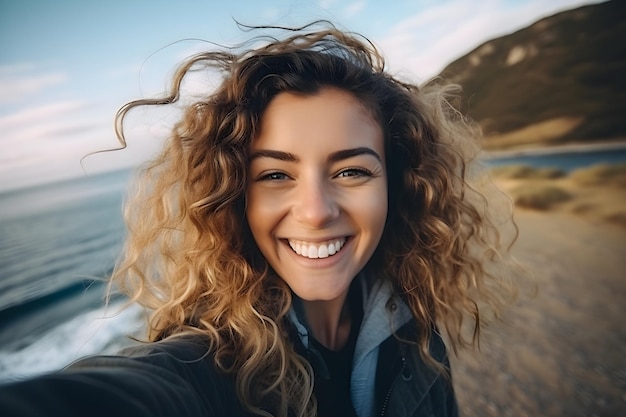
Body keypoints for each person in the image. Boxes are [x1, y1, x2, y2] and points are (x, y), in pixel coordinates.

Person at [0, 22, 517, 417]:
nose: (316, 211)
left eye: (352, 171)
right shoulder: (213, 364)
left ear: (396, 185)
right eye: (274, 176)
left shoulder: (414, 329)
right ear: (233, 198)